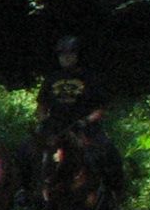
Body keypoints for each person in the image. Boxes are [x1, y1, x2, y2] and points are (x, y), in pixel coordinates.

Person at [38, 36, 124, 194]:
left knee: (110, 152)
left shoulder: (90, 78)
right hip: (56, 127)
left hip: (84, 128)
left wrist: (87, 120)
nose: (66, 57)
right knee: (26, 150)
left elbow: (101, 108)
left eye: (70, 53)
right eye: (62, 54)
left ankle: (114, 193)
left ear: (78, 55)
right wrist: (44, 120)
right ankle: (23, 191)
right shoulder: (51, 79)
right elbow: (42, 106)